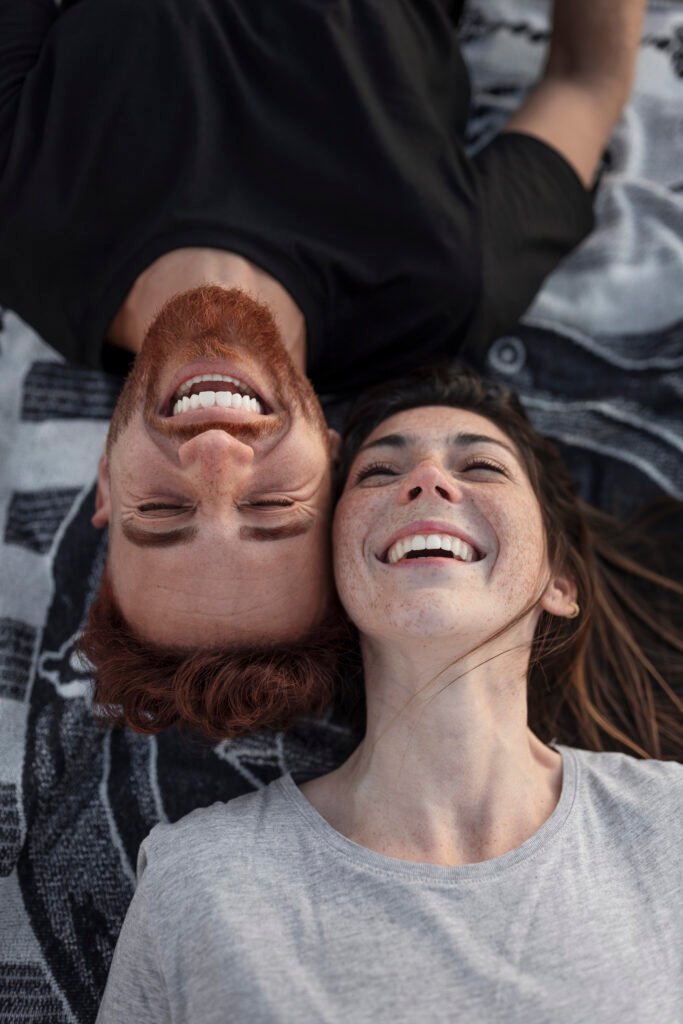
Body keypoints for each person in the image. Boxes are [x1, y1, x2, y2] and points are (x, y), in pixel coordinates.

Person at [0, 0, 646, 656]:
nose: (216, 454)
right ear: (335, 466)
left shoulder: (19, 225)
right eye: (271, 508)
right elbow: (585, 80)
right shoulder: (439, 284)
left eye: (164, 512)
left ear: (108, 481)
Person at [95, 364, 683, 1022]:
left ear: (560, 583)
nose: (426, 479)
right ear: (333, 576)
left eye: (482, 467)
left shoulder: (668, 831)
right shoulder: (199, 881)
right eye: (377, 472)